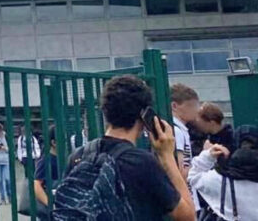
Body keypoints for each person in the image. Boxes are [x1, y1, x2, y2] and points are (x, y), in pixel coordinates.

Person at [62, 75, 195, 220]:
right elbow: (187, 216)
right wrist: (167, 156)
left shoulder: (79, 156)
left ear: (106, 111)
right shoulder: (141, 162)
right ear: (144, 115)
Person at [171, 83, 200, 179]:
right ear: (174, 106)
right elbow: (180, 173)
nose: (197, 110)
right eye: (192, 105)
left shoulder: (180, 130)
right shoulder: (176, 131)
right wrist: (206, 157)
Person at [34, 125, 60, 208]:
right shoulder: (46, 160)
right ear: (54, 143)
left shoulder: (64, 158)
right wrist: (50, 204)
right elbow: (37, 185)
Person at [0, 123, 12, 205]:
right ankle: (2, 198)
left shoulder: (6, 137)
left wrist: (5, 148)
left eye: (0, 131)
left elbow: (10, 148)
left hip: (5, 160)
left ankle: (9, 196)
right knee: (0, 181)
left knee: (7, 179)